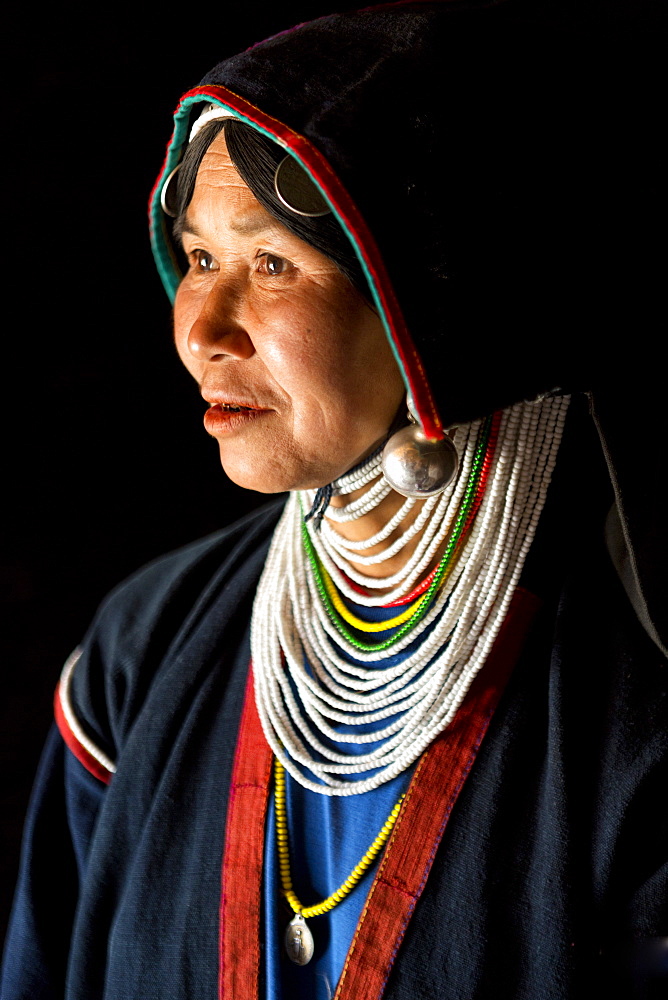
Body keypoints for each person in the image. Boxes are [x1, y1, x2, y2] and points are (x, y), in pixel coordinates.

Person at [2, 2, 666, 998]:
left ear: (432, 299)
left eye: (271, 263)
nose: (201, 330)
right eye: (197, 258)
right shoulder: (138, 658)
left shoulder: (628, 703)